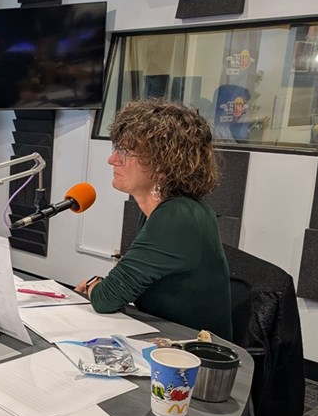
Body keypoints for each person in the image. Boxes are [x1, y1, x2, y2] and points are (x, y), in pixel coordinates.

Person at [75, 99, 233, 340]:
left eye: (125, 152)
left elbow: (106, 298)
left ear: (163, 163)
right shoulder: (159, 210)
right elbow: (125, 284)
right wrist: (99, 285)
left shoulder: (178, 216)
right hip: (166, 338)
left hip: (195, 356)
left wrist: (95, 287)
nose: (112, 160)